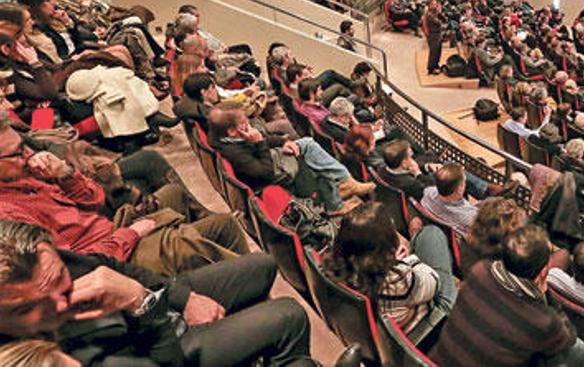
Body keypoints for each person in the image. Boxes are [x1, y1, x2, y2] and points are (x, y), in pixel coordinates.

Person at [0, 219, 315, 366]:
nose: (60, 304)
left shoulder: (37, 258)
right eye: (25, 308)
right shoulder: (33, 359)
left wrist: (184, 299)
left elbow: (112, 265)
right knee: (288, 315)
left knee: (262, 265)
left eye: (60, 280)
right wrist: (144, 306)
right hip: (162, 346)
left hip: (152, 314)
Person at [0, 123, 249, 276]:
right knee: (204, 236)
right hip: (109, 258)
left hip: (110, 231)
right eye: (19, 152)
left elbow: (94, 200)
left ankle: (242, 278)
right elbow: (75, 266)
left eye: (25, 147)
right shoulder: (8, 215)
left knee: (179, 197)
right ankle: (247, 280)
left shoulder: (25, 175)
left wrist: (64, 173)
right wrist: (132, 233)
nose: (30, 155)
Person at [430, 225, 584, 366]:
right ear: (544, 272)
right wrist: (545, 293)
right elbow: (568, 337)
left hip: (432, 362)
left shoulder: (480, 270)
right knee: (579, 349)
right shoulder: (542, 321)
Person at [207, 106, 372, 215]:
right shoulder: (233, 153)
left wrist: (284, 142)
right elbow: (265, 172)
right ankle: (339, 196)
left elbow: (264, 141)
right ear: (231, 131)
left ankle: (342, 187)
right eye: (244, 124)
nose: (249, 125)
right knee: (315, 162)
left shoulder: (224, 137)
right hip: (275, 174)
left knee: (308, 145)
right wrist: (259, 143)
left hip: (270, 159)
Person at [325, 202, 456, 337]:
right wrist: (407, 261)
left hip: (387, 322)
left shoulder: (338, 268)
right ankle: (416, 235)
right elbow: (434, 282)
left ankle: (416, 235)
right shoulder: (398, 280)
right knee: (433, 234)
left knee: (426, 236)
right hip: (426, 325)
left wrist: (391, 262)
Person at [379, 140, 515, 201]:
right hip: (437, 193)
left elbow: (414, 166)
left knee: (448, 165)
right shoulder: (410, 183)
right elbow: (430, 190)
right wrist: (419, 173)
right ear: (404, 163)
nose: (413, 157)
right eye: (410, 156)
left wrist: (427, 166)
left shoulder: (384, 170)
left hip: (426, 182)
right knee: (455, 171)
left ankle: (484, 186)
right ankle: (487, 189)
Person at [425, 0, 444, 75]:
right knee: (434, 52)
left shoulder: (434, 13)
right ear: (429, 6)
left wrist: (439, 12)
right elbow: (439, 23)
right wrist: (439, 12)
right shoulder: (429, 14)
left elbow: (443, 19)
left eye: (436, 4)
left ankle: (436, 65)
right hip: (433, 35)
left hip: (438, 34)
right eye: (433, 4)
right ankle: (430, 69)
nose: (435, 6)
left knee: (438, 51)